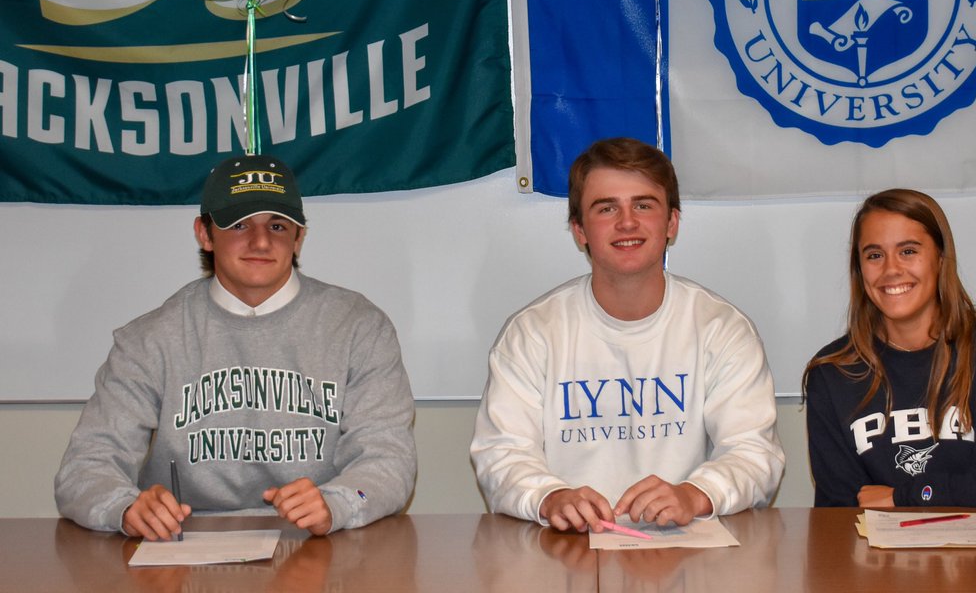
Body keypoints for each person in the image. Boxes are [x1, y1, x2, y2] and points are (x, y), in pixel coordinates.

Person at [55, 154, 417, 540]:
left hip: (322, 542)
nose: (261, 241)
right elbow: (85, 468)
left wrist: (340, 502)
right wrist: (124, 506)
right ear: (205, 234)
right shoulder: (149, 339)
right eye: (239, 223)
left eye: (277, 225)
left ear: (299, 236)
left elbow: (389, 460)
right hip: (182, 549)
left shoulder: (359, 327)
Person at [470, 137, 785, 533]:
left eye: (643, 205)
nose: (627, 222)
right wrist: (549, 497)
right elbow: (501, 454)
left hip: (688, 550)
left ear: (671, 223)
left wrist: (694, 494)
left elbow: (755, 454)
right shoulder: (533, 333)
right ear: (579, 230)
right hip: (568, 550)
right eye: (606, 208)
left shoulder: (722, 329)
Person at [803, 189, 976, 508]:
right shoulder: (832, 373)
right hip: (877, 556)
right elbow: (840, 513)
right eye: (874, 255)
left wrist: (904, 496)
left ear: (941, 258)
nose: (891, 270)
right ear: (859, 269)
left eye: (908, 251)